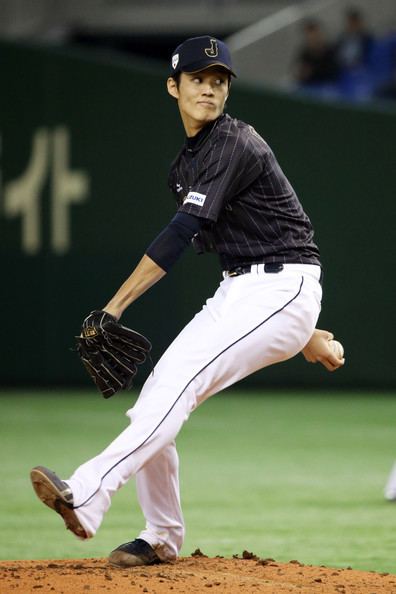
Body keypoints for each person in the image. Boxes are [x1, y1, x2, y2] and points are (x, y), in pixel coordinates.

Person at [30, 35, 344, 567]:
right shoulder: (186, 168)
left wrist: (115, 305)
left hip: (281, 286)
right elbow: (242, 242)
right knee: (157, 394)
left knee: (174, 391)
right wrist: (303, 335)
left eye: (219, 81)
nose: (210, 89)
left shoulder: (236, 142)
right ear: (173, 86)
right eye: (198, 79)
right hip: (249, 290)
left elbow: (181, 237)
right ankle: (161, 536)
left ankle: (85, 492)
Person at [294, 19, 339, 88]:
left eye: (315, 34)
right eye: (309, 35)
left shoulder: (329, 50)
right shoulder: (304, 53)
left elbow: (335, 73)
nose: (313, 37)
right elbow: (297, 73)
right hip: (310, 88)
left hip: (327, 87)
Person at [334, 7, 374, 72]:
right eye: (350, 23)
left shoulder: (367, 38)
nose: (352, 26)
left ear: (359, 23)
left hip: (362, 69)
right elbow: (337, 56)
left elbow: (369, 56)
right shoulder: (342, 39)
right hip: (345, 70)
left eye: (354, 23)